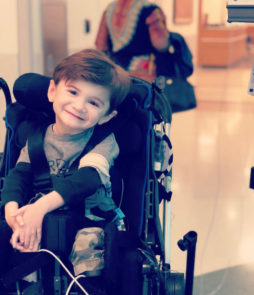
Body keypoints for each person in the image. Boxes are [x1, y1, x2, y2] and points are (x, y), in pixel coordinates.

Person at [0, 48, 130, 289]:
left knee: (89, 246)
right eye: (72, 92)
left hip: (89, 221)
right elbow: (17, 176)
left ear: (106, 115)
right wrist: (12, 211)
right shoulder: (37, 138)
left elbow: (87, 179)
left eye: (93, 102)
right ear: (52, 91)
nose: (79, 106)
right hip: (42, 217)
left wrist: (39, 207)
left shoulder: (104, 142)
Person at [95, 0, 174, 83]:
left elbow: (100, 46)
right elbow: (161, 45)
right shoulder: (151, 10)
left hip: (118, 72)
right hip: (145, 72)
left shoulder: (109, 10)